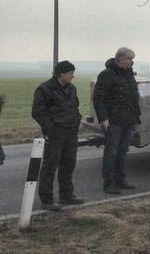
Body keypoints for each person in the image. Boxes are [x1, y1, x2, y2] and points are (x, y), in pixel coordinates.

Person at [32, 61, 84, 211]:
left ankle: (67, 196)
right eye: (70, 73)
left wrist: (76, 120)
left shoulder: (72, 88)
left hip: (71, 132)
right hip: (56, 133)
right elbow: (37, 112)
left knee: (69, 164)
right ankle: (47, 201)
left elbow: (74, 106)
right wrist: (50, 130)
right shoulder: (44, 89)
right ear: (61, 73)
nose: (73, 76)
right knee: (50, 166)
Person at [93, 47, 140, 194]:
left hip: (128, 120)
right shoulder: (107, 75)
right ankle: (109, 184)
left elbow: (133, 97)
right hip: (113, 121)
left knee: (122, 152)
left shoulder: (128, 75)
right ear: (121, 59)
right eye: (130, 59)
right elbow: (98, 98)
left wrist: (135, 117)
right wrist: (103, 118)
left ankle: (120, 180)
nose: (132, 62)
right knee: (111, 153)